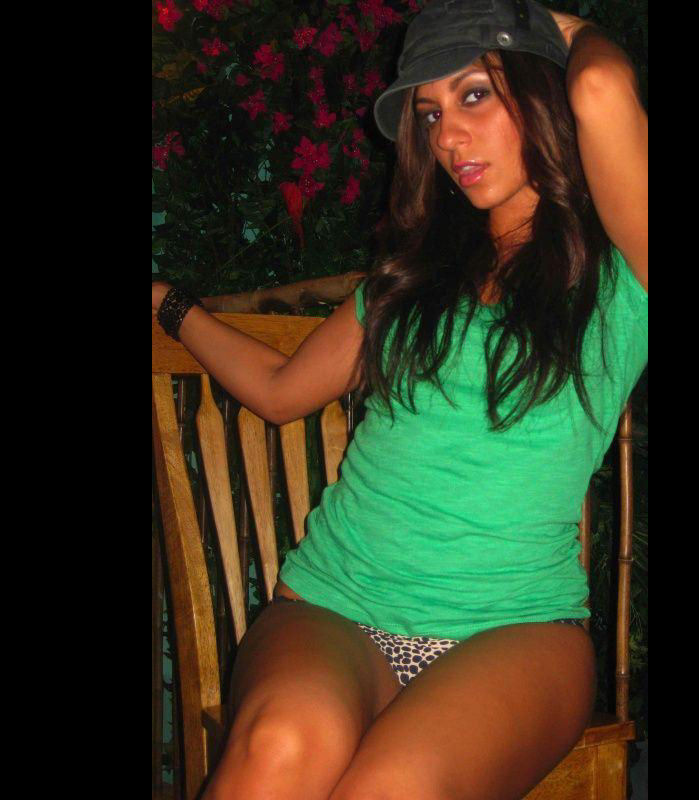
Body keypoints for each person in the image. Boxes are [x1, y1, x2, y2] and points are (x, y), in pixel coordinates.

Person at [152, 1, 648, 797]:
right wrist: (169, 306)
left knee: (393, 787)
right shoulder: (412, 280)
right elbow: (280, 393)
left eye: (474, 94)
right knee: (278, 748)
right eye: (430, 113)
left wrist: (548, 23)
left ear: (538, 89)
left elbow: (601, 89)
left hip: (515, 629)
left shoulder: (622, 268)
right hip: (335, 605)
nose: (448, 137)